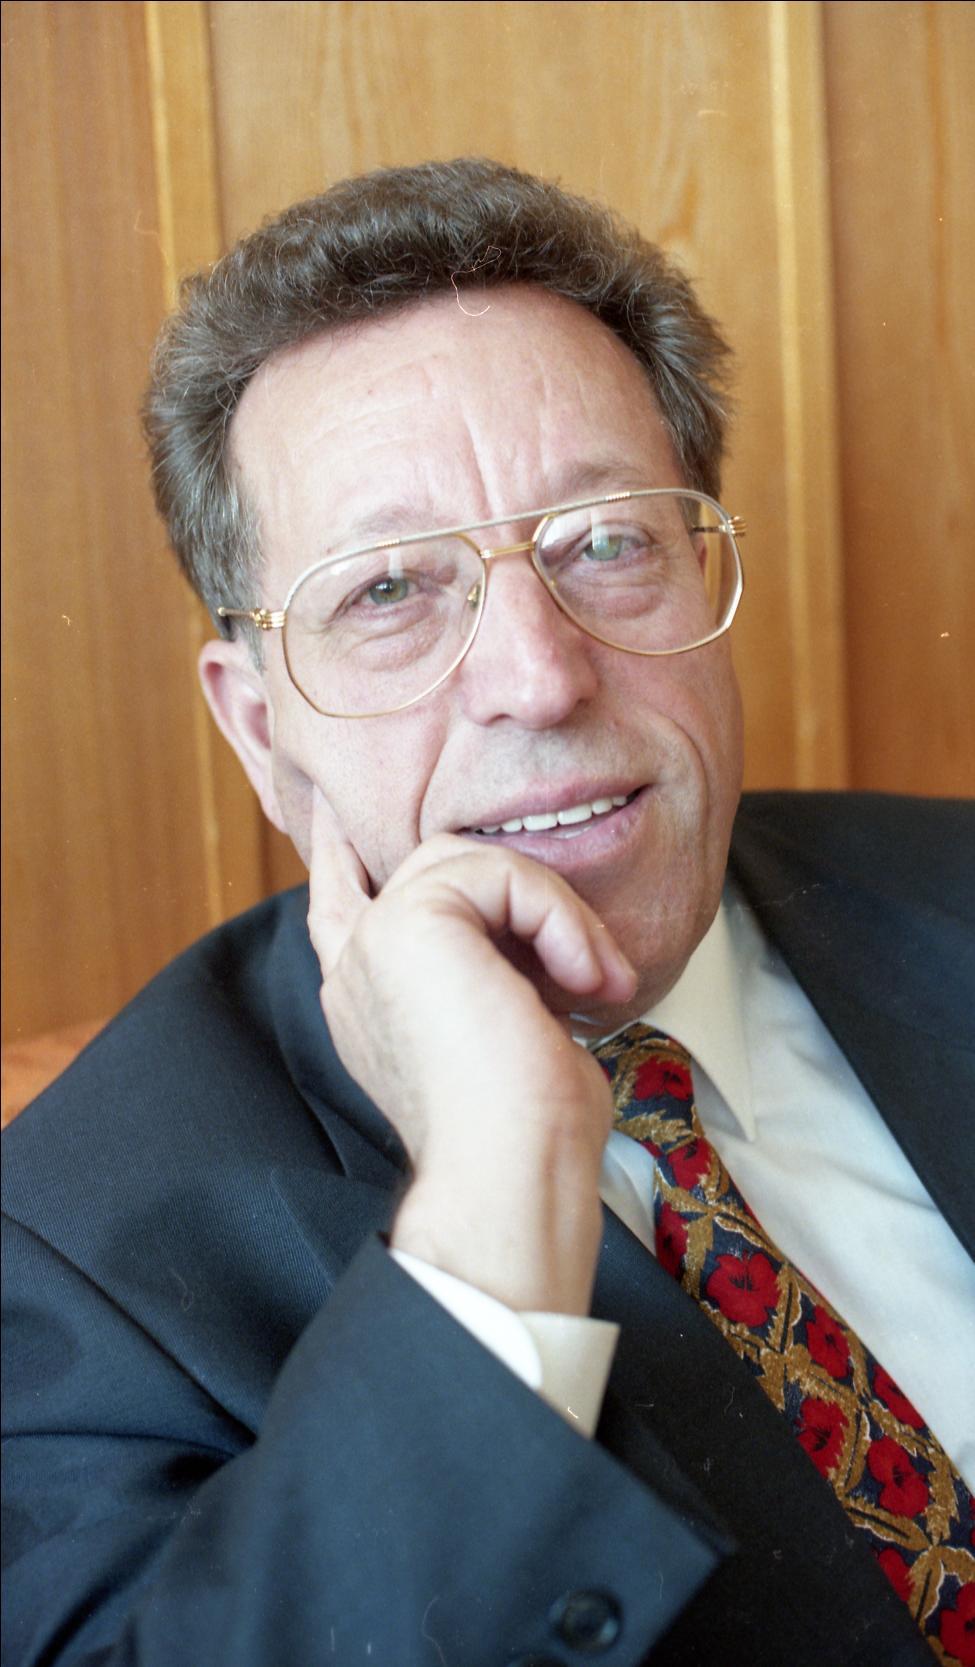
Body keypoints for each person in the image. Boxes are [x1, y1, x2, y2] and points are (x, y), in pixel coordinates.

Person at [2, 158, 972, 1667]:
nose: (538, 676)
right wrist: (492, 1209)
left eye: (609, 542)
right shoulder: (68, 1255)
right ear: (261, 729)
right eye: (388, 591)